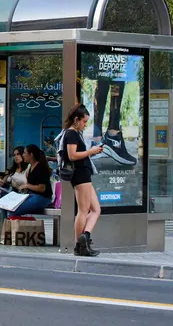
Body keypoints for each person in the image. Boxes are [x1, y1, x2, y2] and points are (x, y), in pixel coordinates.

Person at [62, 104, 103, 257]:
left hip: (84, 173)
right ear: (76, 119)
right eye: (84, 122)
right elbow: (72, 155)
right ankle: (79, 245)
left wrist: (91, 153)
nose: (85, 125)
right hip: (79, 174)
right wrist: (90, 152)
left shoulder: (75, 133)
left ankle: (84, 237)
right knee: (83, 210)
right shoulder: (71, 133)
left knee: (96, 209)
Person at [8, 144, 53, 217]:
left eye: (24, 153)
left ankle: (14, 227)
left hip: (42, 198)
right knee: (6, 207)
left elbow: (42, 188)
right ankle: (7, 226)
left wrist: (27, 186)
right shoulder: (30, 168)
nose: (23, 155)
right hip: (30, 196)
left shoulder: (40, 168)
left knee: (14, 210)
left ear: (31, 154)